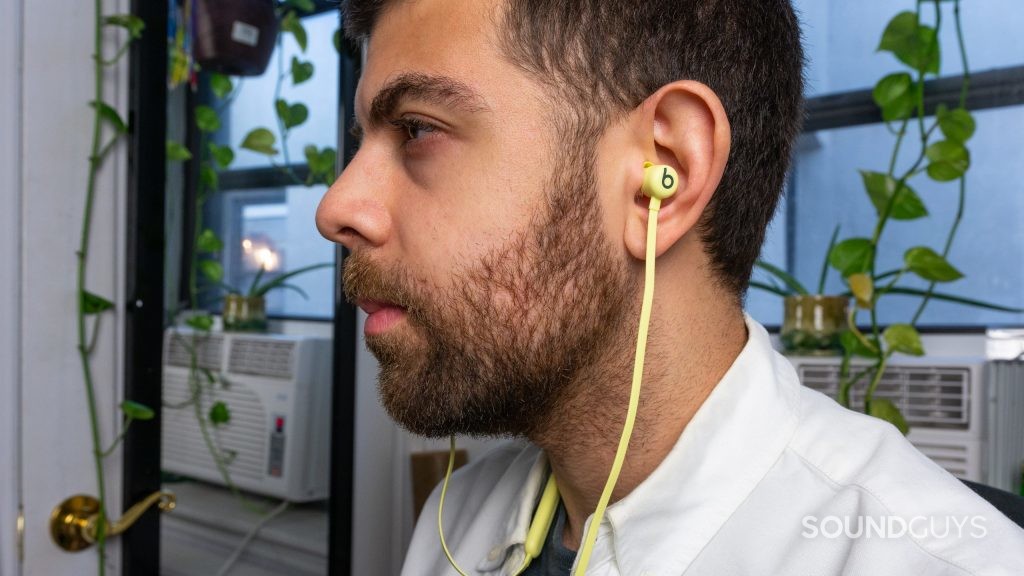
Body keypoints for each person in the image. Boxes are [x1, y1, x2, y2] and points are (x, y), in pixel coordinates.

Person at [315, 0, 1024, 574]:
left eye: (415, 130)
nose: (336, 208)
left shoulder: (936, 561)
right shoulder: (457, 519)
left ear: (665, 174)